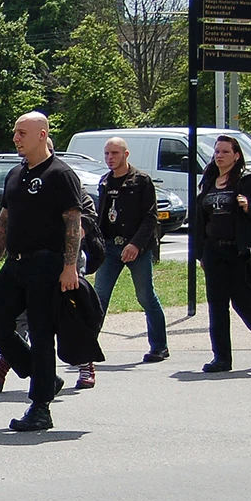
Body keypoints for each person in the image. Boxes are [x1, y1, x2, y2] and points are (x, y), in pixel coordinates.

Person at [0, 112, 83, 431]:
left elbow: (73, 222)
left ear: (42, 134)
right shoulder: (14, 174)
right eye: (15, 133)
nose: (16, 138)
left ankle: (40, 408)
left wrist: (69, 266)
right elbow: (4, 221)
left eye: (22, 133)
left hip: (47, 264)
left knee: (40, 335)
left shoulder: (60, 174)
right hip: (16, 263)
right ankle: (46, 379)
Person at [84, 137, 169, 385]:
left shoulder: (140, 181)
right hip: (110, 248)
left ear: (126, 154)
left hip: (135, 247)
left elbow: (150, 217)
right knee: (98, 298)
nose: (110, 158)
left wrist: (136, 244)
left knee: (145, 296)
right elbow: (101, 217)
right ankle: (87, 350)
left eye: (114, 153)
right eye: (107, 153)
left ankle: (159, 346)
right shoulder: (105, 181)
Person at [196, 135, 251, 373]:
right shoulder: (210, 179)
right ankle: (221, 358)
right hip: (214, 251)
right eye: (217, 152)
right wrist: (200, 252)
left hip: (241, 252)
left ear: (236, 155)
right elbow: (201, 218)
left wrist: (249, 207)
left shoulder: (248, 180)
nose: (219, 156)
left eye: (224, 152)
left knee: (243, 304)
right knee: (217, 305)